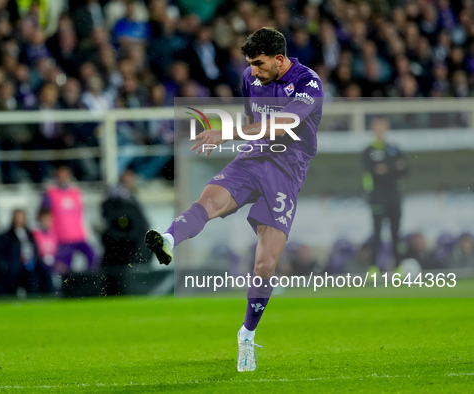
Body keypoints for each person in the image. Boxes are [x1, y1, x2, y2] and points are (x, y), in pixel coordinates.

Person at [145, 27, 323, 372]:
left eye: (258, 64)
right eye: (250, 64)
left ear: (279, 60)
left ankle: (246, 334)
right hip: (254, 157)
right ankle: (168, 239)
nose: (253, 71)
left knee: (264, 265)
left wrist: (223, 133)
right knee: (208, 201)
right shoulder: (249, 78)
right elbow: (252, 121)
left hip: (287, 170)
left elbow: (281, 124)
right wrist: (236, 139)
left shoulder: (307, 82)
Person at [362, 117, 408, 270]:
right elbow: (375, 171)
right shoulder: (368, 150)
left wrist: (386, 168)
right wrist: (393, 167)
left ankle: (399, 267)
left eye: (383, 127)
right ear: (373, 129)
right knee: (377, 234)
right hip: (377, 197)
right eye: (377, 127)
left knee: (396, 234)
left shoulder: (394, 148)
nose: (380, 130)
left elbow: (405, 169)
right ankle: (373, 268)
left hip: (394, 197)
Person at [42, 165, 97, 273]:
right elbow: (44, 215)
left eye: (65, 175)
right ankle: (66, 288)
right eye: (60, 175)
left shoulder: (76, 193)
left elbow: (82, 214)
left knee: (93, 256)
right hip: (62, 238)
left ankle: (87, 283)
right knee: (64, 267)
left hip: (78, 236)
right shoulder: (50, 194)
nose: (63, 178)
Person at [0, 209, 53, 296]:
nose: (20, 220)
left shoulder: (29, 234)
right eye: (18, 217)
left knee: (43, 273)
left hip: (31, 264)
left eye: (22, 217)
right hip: (16, 265)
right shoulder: (7, 236)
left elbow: (35, 250)